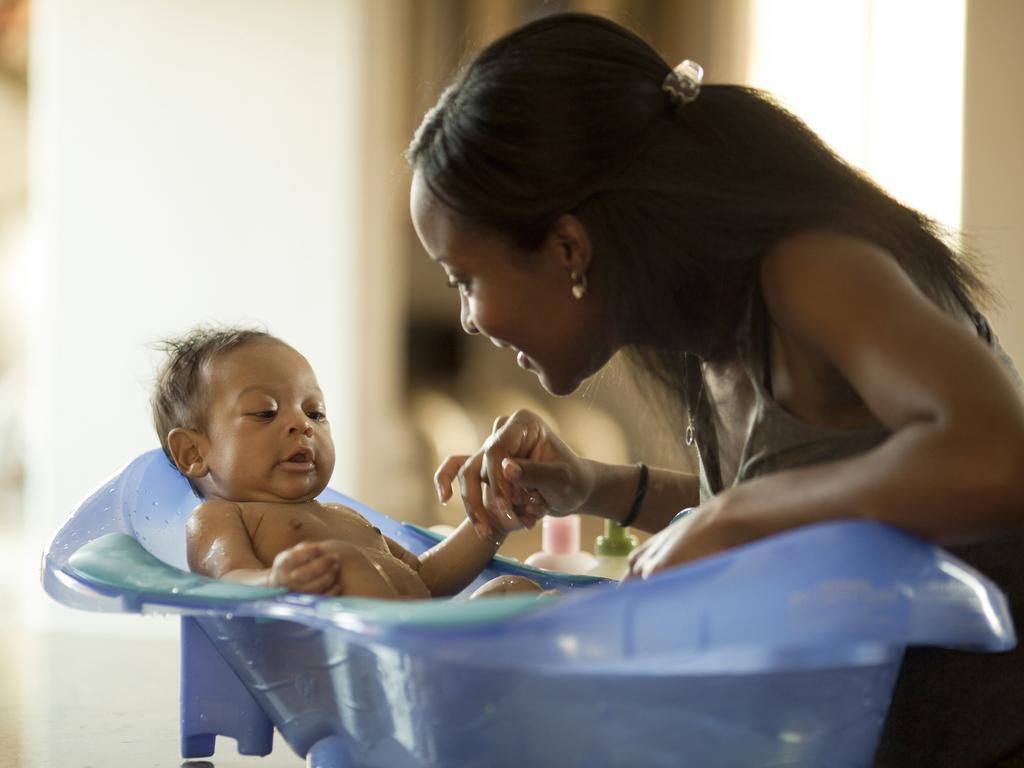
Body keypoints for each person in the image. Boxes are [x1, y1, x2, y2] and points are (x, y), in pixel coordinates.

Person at [406, 11, 1024, 766]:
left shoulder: (813, 267)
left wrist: (740, 513)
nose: (468, 319)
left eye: (465, 279)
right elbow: (814, 505)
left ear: (569, 246)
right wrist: (591, 485)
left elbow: (1000, 458)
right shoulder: (710, 328)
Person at [151, 326, 542, 600]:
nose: (301, 425)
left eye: (315, 413)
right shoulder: (222, 517)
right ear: (194, 454)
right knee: (339, 560)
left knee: (516, 591)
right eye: (266, 412)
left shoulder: (344, 517)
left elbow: (425, 579)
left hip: (428, 646)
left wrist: (491, 520)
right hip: (345, 667)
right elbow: (228, 579)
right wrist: (274, 581)